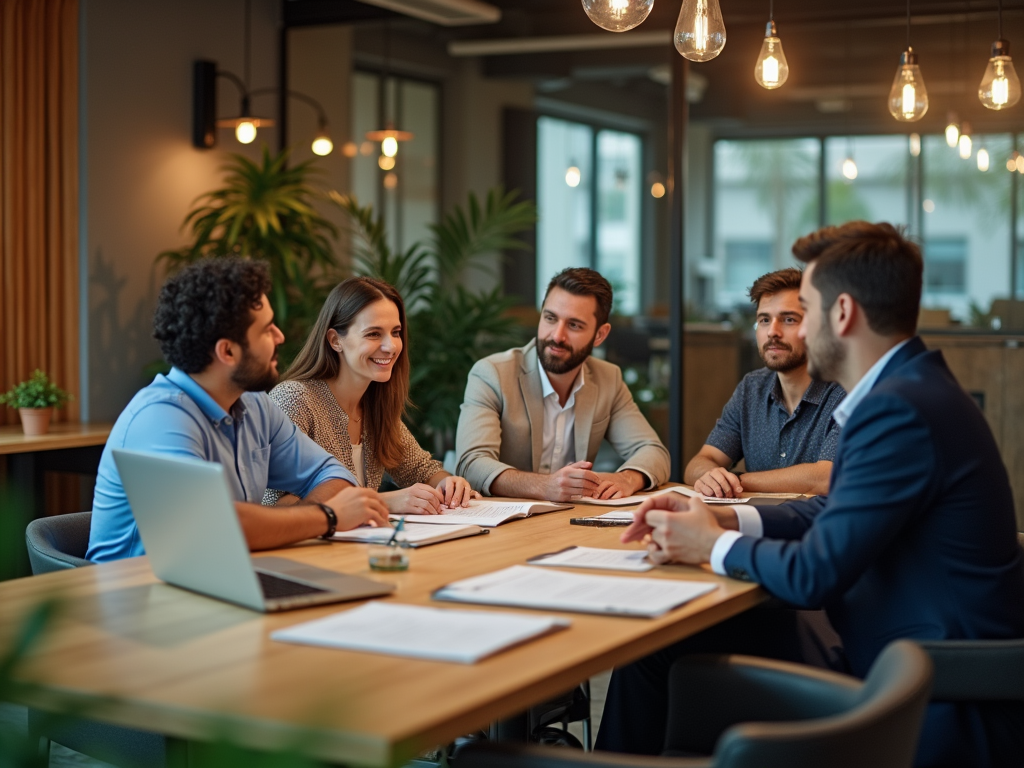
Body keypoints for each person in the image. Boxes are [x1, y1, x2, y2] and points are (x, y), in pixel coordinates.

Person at [597, 222, 1024, 768]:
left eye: (808, 311)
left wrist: (709, 547)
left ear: (842, 314)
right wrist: (724, 521)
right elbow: (833, 509)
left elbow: (815, 574)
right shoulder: (910, 390)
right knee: (662, 648)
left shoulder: (898, 410)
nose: (790, 329)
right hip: (903, 652)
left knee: (662, 650)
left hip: (922, 685)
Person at [86, 258, 389, 563]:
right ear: (227, 351)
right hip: (140, 596)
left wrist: (285, 526)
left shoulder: (255, 405)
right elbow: (216, 526)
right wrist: (327, 517)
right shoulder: (160, 418)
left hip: (221, 579)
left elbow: (333, 473)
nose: (280, 337)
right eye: (267, 330)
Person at [264, 277, 478, 515]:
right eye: (374, 334)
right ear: (335, 341)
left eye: (395, 332)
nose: (391, 346)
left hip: (363, 547)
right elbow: (273, 507)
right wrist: (382, 502)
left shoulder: (375, 403)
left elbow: (423, 471)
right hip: (310, 551)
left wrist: (448, 485)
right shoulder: (294, 399)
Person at [455, 267, 670, 502]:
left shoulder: (608, 379)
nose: (557, 335)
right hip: (504, 524)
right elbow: (471, 464)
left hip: (568, 521)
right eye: (550, 318)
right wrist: (545, 486)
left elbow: (653, 451)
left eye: (574, 325)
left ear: (600, 335)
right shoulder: (492, 374)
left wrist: (627, 478)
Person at [685, 267, 845, 497]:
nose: (772, 332)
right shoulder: (752, 387)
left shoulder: (846, 390)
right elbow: (701, 462)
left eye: (789, 319)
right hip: (755, 525)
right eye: (764, 320)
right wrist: (710, 476)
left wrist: (736, 481)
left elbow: (825, 477)